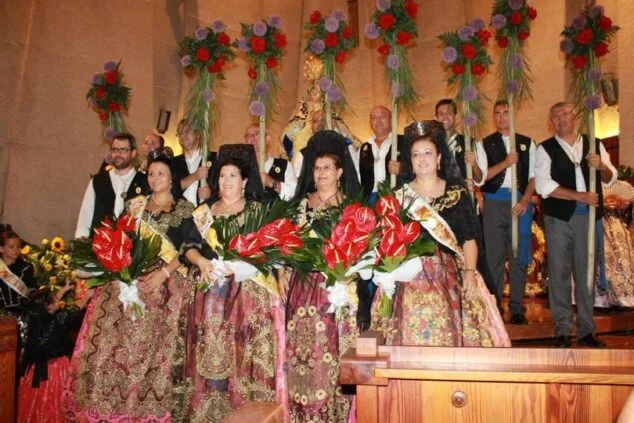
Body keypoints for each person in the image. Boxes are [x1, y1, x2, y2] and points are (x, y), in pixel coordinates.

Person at [63, 147, 212, 421]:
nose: (155, 178)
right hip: (127, 278)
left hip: (163, 282)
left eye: (162, 174)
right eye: (152, 173)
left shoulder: (182, 209)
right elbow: (119, 239)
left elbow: (189, 247)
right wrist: (121, 271)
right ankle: (107, 405)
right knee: (109, 340)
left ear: (171, 179)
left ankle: (145, 407)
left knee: (148, 346)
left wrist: (163, 274)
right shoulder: (135, 205)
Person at [371, 120, 509, 347]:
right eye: (416, 154)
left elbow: (468, 238)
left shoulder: (456, 192)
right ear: (410, 161)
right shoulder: (399, 195)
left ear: (439, 158)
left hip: (450, 274)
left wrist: (470, 272)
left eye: (427, 153)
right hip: (408, 275)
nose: (422, 159)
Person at [184, 146, 287, 422]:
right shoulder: (204, 212)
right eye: (222, 176)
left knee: (242, 351)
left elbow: (273, 249)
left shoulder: (256, 210)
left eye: (233, 176)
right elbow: (190, 247)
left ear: (244, 181)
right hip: (212, 295)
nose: (226, 181)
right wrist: (202, 262)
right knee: (212, 350)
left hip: (248, 294)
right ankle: (213, 409)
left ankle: (247, 409)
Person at [285, 130, 361, 421]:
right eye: (317, 169)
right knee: (303, 351)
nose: (321, 173)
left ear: (340, 172)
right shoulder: (302, 205)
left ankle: (337, 412)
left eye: (328, 168)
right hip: (303, 286)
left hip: (338, 288)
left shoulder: (350, 207)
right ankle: (303, 411)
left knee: (333, 349)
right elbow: (288, 244)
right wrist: (283, 274)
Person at [535, 101, 617, 348]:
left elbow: (612, 177)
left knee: (586, 274)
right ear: (552, 123)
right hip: (558, 218)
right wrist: (578, 196)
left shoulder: (595, 145)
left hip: (589, 218)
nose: (561, 119)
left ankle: (586, 330)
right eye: (556, 116)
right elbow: (543, 186)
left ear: (575, 117)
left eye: (565, 114)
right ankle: (562, 329)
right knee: (559, 274)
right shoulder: (544, 149)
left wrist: (600, 166)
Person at [477, 100, 536, 324]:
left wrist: (525, 200)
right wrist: (505, 163)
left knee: (518, 256)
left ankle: (517, 307)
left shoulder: (527, 143)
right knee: (494, 257)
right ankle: (495, 304)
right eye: (498, 113)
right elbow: (482, 177)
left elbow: (533, 177)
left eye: (506, 113)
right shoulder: (485, 144)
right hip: (494, 202)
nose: (502, 117)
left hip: (519, 203)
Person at [17, 283, 92, 423]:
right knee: (56, 401)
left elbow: (48, 303)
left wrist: (63, 290)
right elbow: (74, 310)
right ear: (49, 306)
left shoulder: (35, 316)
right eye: (56, 299)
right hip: (55, 369)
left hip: (34, 370)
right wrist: (87, 296)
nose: (59, 301)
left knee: (36, 402)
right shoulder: (57, 320)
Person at [75, 132, 149, 238]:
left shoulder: (144, 182)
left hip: (130, 250)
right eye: (114, 150)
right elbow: (84, 219)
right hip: (96, 248)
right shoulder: (97, 181)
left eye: (123, 150)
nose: (118, 154)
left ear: (133, 153)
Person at [351, 106, 407, 202]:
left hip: (397, 197)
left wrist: (403, 169)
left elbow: (417, 169)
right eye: (374, 118)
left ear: (391, 119)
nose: (378, 120)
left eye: (383, 116)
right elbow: (357, 176)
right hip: (369, 200)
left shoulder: (404, 142)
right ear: (370, 122)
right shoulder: (364, 147)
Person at [596, 180, 634, 307]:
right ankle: (601, 297)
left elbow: (627, 206)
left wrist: (623, 204)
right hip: (597, 222)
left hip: (616, 224)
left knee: (620, 257)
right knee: (603, 257)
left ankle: (622, 295)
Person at [244, 123, 297, 201]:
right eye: (248, 135)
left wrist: (271, 182)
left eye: (257, 134)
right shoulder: (240, 167)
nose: (252, 138)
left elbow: (294, 194)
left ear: (267, 139)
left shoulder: (284, 165)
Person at [172, 119, 217, 206]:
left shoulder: (213, 158)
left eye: (187, 131)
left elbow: (222, 189)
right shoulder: (173, 162)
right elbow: (170, 190)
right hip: (179, 215)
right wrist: (195, 176)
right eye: (180, 132)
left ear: (198, 134)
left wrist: (210, 194)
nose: (183, 135)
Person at [0, 230, 36, 313]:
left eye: (18, 247)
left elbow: (33, 293)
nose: (15, 250)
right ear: (1, 248)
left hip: (23, 314)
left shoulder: (26, 268)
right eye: (11, 247)